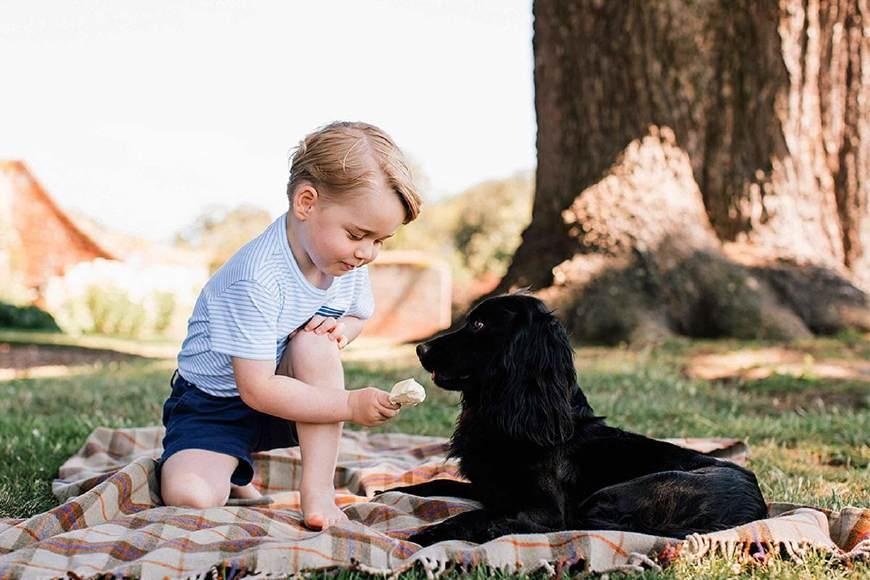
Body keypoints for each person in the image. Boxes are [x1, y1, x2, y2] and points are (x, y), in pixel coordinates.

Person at [158, 121, 422, 529]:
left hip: (287, 393)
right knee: (190, 497)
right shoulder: (257, 278)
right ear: (306, 202)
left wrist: (341, 333)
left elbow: (355, 316)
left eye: (380, 241)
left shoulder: (344, 260)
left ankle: (317, 494)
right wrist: (350, 404)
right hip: (215, 404)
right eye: (358, 234)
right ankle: (225, 464)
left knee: (316, 346)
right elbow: (256, 388)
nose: (368, 252)